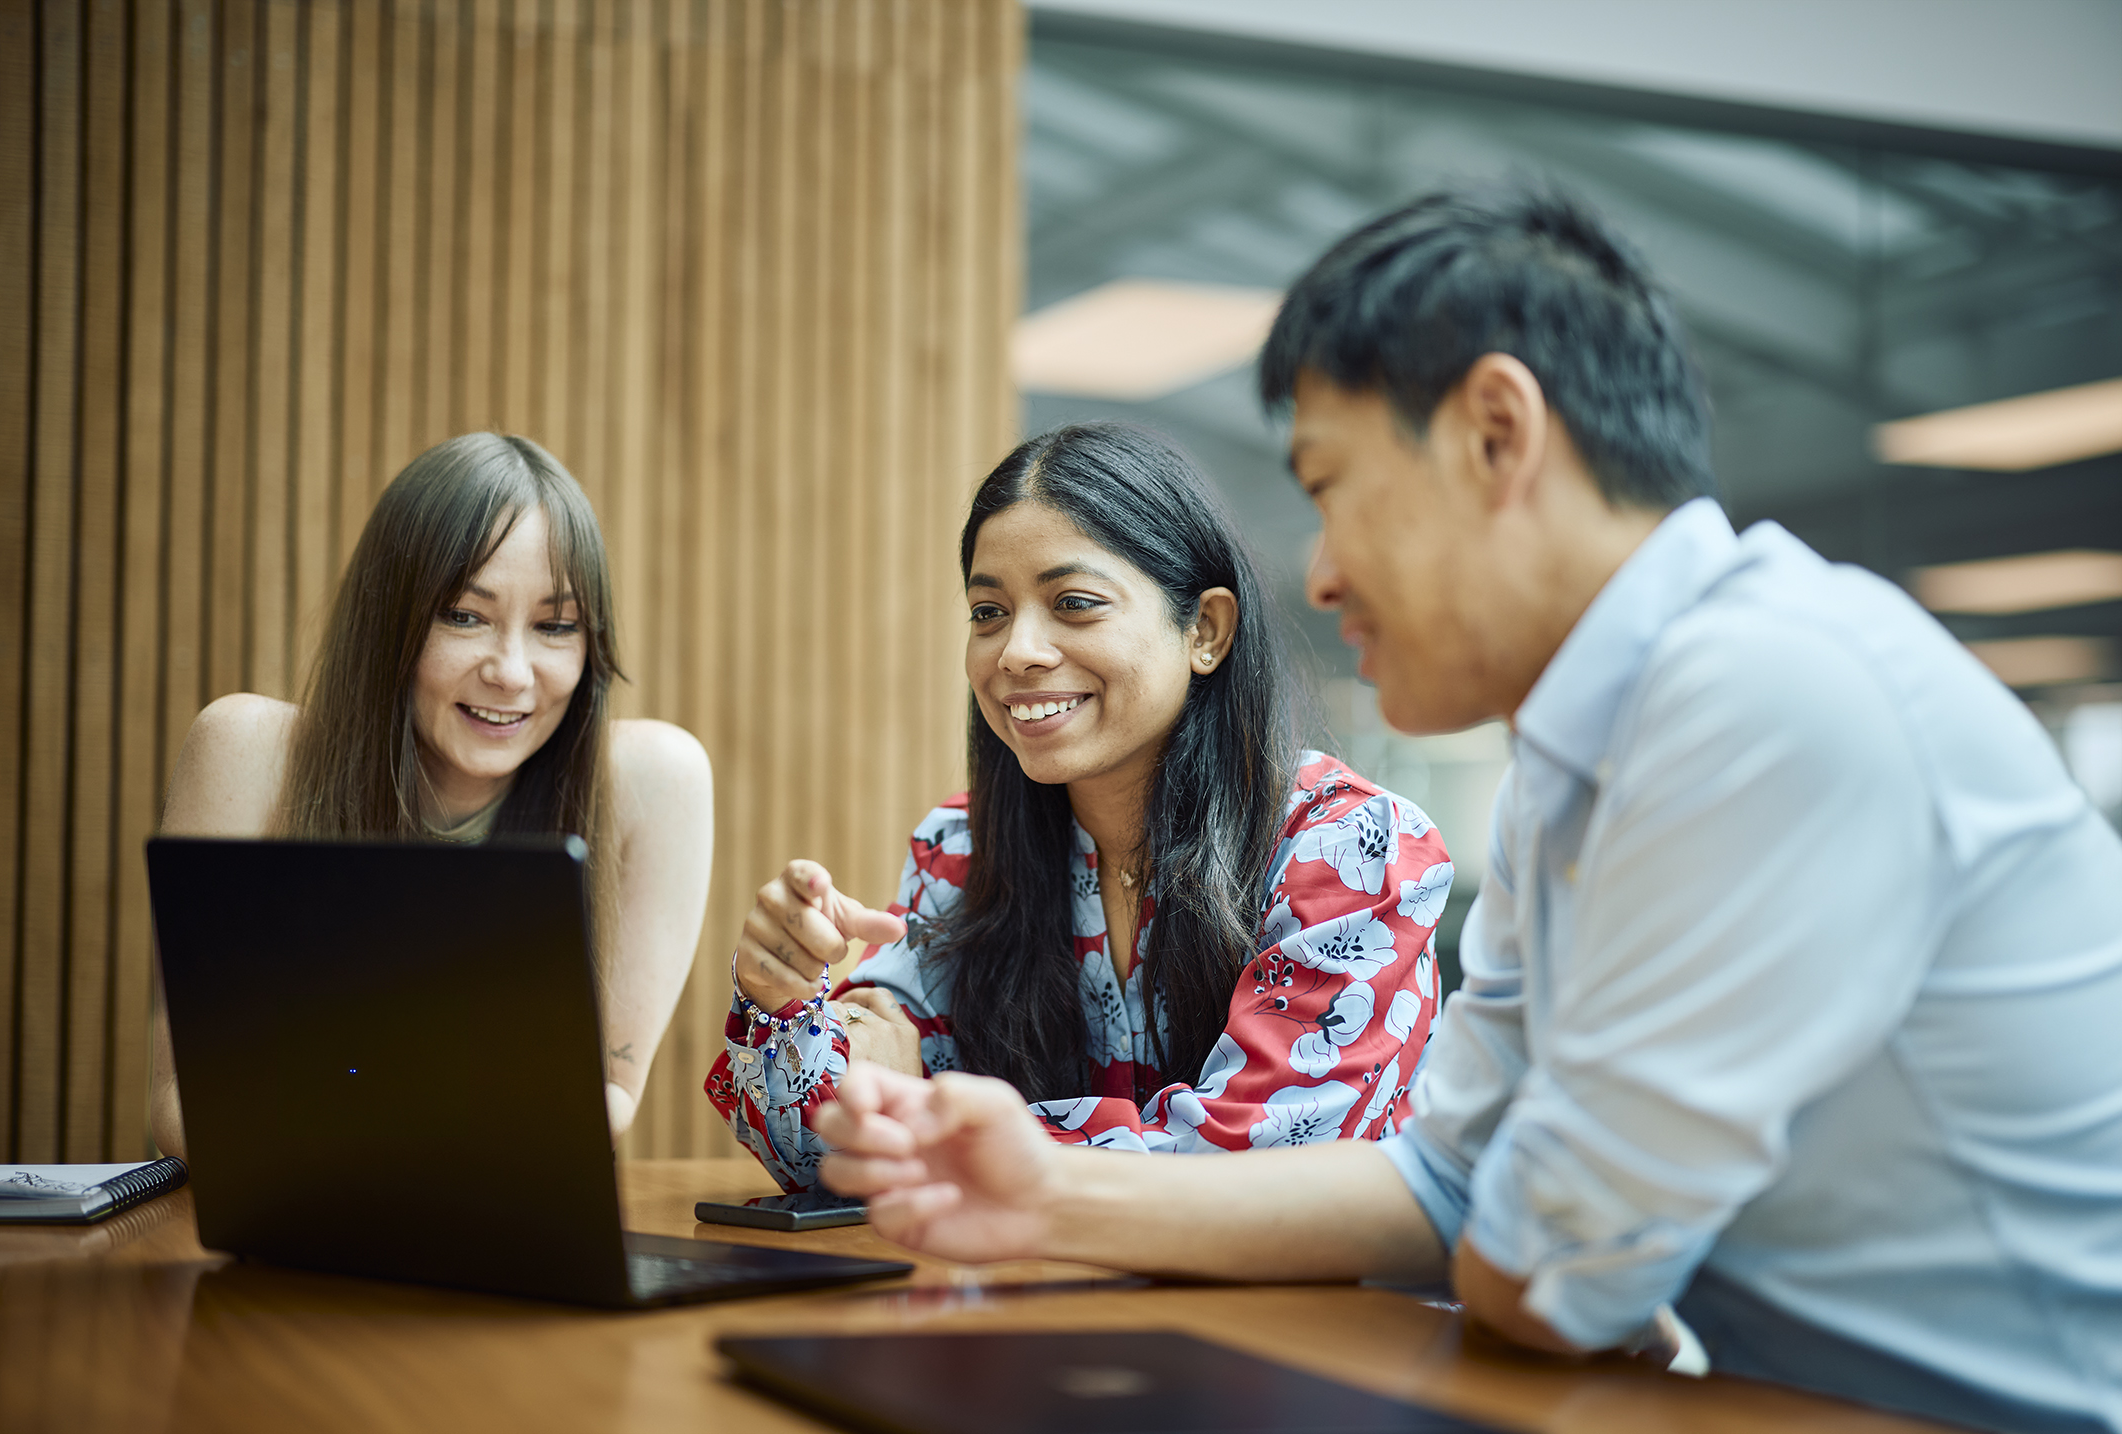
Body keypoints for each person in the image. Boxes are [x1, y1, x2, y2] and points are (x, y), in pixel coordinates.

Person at [811, 189, 2122, 1434]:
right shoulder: (1575, 756)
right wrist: (1041, 1189)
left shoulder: (1765, 691)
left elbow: (1548, 1271)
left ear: (1498, 434)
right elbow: (1445, 1187)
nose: (1316, 575)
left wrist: (1523, 1246)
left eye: (1329, 488)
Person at [706, 422, 1455, 1191]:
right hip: (1030, 1302)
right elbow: (826, 1144)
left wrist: (931, 1133)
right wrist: (788, 1005)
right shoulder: (962, 850)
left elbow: (1251, 1170)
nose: (1016, 651)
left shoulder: (1348, 848)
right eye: (988, 612)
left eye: (1074, 602)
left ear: (1205, 630)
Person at [151, 433, 714, 1156]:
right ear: (390, 622)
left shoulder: (653, 781)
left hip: (503, 1227)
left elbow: (608, 1095)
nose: (512, 672)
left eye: (555, 626)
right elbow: (182, 1109)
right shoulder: (248, 753)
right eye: (465, 615)